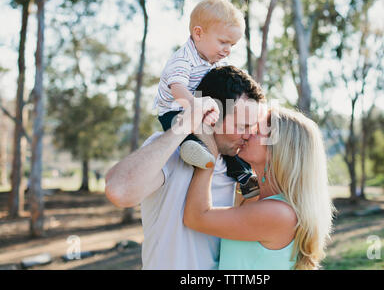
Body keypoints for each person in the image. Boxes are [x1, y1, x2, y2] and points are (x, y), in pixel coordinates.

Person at [105, 66, 266, 269]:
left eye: (252, 127)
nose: (247, 135)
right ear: (211, 114)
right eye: (242, 126)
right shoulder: (170, 151)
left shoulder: (242, 173)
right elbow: (119, 191)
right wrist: (184, 125)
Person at [183, 107, 336, 270]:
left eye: (257, 130)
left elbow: (196, 217)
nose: (247, 134)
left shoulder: (278, 214)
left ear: (277, 148)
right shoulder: (256, 196)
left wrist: (209, 154)